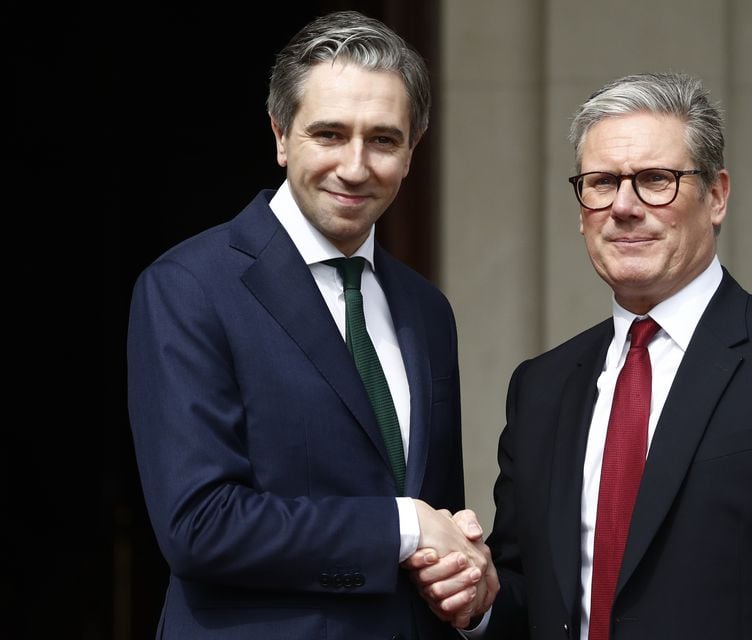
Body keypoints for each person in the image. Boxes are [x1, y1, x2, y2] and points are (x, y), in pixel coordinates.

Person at [411, 72, 752, 639]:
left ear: (716, 196)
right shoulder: (542, 387)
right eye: (601, 182)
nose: (624, 206)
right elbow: (533, 599)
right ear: (581, 210)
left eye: (655, 180)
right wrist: (480, 602)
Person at [127, 11, 495, 639]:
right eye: (329, 134)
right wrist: (402, 525)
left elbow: (437, 523)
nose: (355, 167)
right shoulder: (190, 287)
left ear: (413, 151)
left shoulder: (427, 311)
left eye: (383, 140)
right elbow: (199, 526)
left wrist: (469, 586)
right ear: (279, 135)